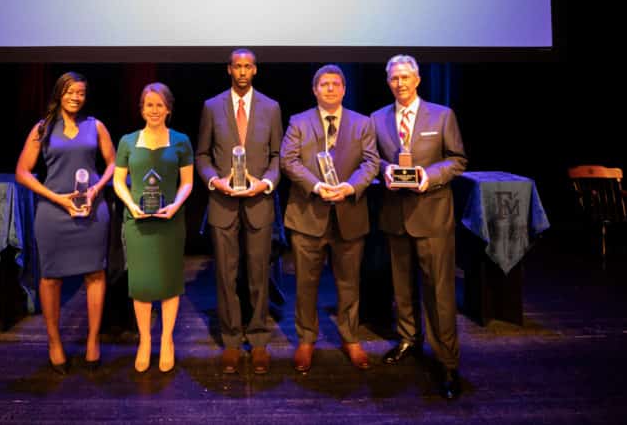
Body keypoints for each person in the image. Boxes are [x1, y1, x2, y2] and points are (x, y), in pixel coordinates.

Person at [370, 55, 467, 399]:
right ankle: (409, 338)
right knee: (402, 288)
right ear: (388, 82)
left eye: (406, 77)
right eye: (394, 78)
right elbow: (373, 158)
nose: (400, 83)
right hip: (395, 215)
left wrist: (430, 177)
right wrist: (384, 170)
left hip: (432, 216)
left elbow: (457, 160)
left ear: (418, 79)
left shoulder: (442, 115)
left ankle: (447, 362)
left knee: (439, 293)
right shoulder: (377, 118)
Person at [15, 72, 116, 374]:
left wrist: (98, 188)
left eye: (81, 93)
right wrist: (56, 198)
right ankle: (54, 341)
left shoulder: (95, 125)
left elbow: (112, 163)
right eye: (70, 92)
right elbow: (23, 171)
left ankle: (93, 341)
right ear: (59, 93)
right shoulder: (42, 128)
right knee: (51, 277)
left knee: (95, 273)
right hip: (54, 212)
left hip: (91, 210)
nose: (76, 97)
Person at [281, 64, 379, 373]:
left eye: (336, 84)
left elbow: (371, 162)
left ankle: (351, 338)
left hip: (349, 215)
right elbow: (288, 160)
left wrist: (350, 187)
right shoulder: (298, 122)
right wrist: (317, 185)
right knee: (305, 284)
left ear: (344, 89)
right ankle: (306, 340)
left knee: (349, 284)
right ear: (315, 90)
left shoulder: (363, 124)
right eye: (324, 84)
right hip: (308, 215)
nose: (331, 89)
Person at [195, 48, 283, 375]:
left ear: (255, 70)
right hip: (223, 203)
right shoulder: (211, 106)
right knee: (226, 275)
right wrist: (215, 181)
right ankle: (231, 341)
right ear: (229, 70)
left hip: (259, 202)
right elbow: (201, 155)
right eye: (237, 67)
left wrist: (267, 183)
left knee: (259, 275)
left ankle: (258, 340)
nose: (243, 71)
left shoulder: (272, 108)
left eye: (248, 66)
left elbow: (277, 156)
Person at [112, 83, 194, 373]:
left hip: (170, 221)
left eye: (159, 105)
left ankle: (167, 340)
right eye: (149, 105)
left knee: (170, 283)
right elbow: (118, 181)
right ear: (141, 109)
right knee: (142, 285)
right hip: (137, 222)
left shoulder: (181, 141)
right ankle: (145, 341)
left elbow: (187, 183)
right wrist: (130, 205)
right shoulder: (127, 141)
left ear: (168, 109)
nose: (154, 110)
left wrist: (175, 205)